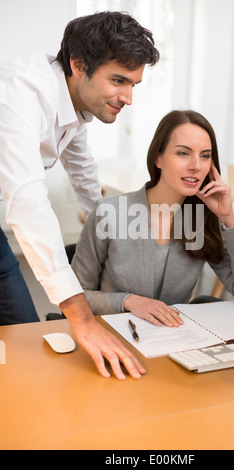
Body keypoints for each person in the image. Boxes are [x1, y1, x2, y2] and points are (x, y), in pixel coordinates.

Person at [0, 11, 159, 380]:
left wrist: (107, 228)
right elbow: (27, 202)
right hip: (18, 209)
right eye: (119, 80)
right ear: (78, 64)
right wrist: (82, 319)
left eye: (134, 84)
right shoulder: (20, 93)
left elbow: (82, 166)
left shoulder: (75, 105)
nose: (128, 98)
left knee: (23, 331)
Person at [71, 110, 234, 328]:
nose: (196, 165)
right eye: (183, 153)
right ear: (158, 157)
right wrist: (128, 301)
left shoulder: (201, 221)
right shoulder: (109, 213)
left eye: (205, 155)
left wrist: (228, 218)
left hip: (173, 342)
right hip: (115, 336)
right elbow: (75, 296)